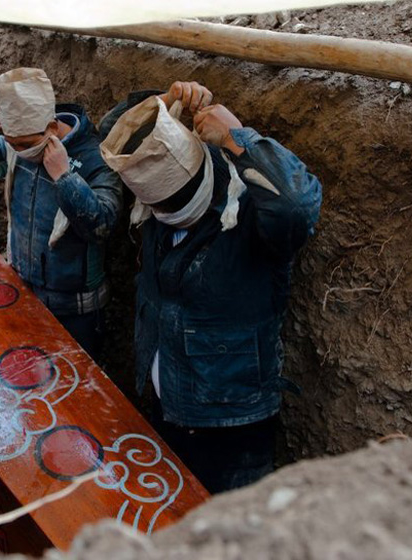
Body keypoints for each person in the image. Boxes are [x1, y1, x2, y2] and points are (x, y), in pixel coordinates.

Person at [100, 81, 322, 494]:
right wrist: (163, 104)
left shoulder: (248, 217)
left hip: (231, 428)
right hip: (166, 407)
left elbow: (296, 207)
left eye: (178, 210)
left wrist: (240, 138)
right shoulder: (157, 197)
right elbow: (114, 143)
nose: (169, 216)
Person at [0, 68, 121, 362]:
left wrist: (64, 176)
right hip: (23, 289)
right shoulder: (19, 144)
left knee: (75, 391)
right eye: (13, 144)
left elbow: (102, 225)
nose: (20, 152)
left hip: (75, 310)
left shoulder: (95, 158)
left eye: (26, 145)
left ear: (52, 126)